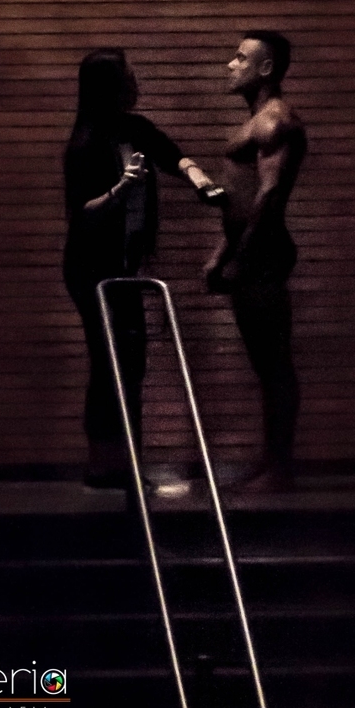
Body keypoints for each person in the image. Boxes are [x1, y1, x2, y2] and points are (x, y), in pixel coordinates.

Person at [63, 48, 209, 487]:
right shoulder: (85, 143)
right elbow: (82, 215)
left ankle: (125, 462)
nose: (135, 81)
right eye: (128, 75)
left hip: (124, 265)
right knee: (110, 361)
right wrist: (121, 190)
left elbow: (169, 153)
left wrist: (199, 178)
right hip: (92, 269)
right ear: (109, 86)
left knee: (131, 362)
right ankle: (104, 464)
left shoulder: (134, 128)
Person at [192, 31, 307, 491]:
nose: (230, 64)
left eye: (241, 58)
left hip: (263, 256)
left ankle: (279, 468)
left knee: (274, 364)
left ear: (266, 68)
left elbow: (269, 196)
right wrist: (221, 252)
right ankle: (271, 462)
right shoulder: (256, 121)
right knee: (265, 364)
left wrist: (239, 259)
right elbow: (242, 200)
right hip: (248, 253)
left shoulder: (276, 121)